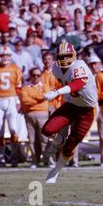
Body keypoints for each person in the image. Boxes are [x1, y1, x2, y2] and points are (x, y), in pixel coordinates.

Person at [41, 41, 98, 184]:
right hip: (71, 105)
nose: (65, 59)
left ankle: (55, 171)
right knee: (47, 129)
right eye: (62, 56)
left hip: (87, 110)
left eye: (68, 56)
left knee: (70, 146)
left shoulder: (80, 66)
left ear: (74, 55)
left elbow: (76, 85)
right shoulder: (56, 68)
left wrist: (56, 93)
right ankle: (58, 139)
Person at [0, 46, 23, 167]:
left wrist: (19, 102)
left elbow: (19, 88)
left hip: (11, 100)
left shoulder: (16, 69)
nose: (5, 58)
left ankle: (13, 156)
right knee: (0, 130)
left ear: (10, 56)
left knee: (13, 129)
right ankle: (1, 158)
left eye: (7, 55)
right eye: (3, 55)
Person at [19, 67, 50, 168]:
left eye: (38, 75)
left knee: (44, 138)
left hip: (43, 114)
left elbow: (45, 96)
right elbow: (25, 100)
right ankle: (34, 160)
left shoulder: (45, 86)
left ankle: (47, 159)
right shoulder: (25, 87)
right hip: (30, 115)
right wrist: (38, 99)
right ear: (30, 76)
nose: (36, 77)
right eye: (34, 75)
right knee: (32, 139)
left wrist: (32, 98)